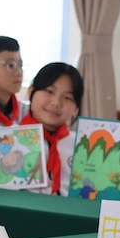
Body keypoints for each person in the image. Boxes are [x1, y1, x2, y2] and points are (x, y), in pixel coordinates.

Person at [19, 62, 81, 196]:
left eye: (67, 97)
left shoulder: (82, 147)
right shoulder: (8, 139)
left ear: (76, 109)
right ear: (31, 92)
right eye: (49, 91)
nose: (56, 103)